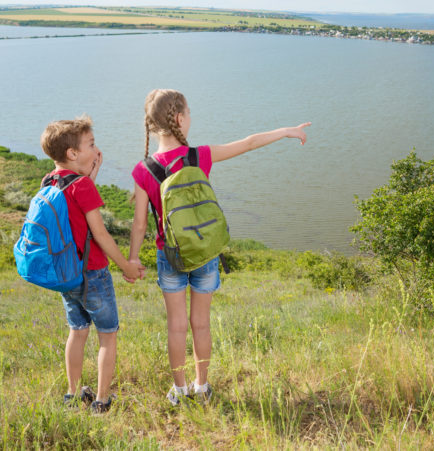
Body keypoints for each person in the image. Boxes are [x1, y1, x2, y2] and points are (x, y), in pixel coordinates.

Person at [128, 89, 310, 406]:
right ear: (180, 119)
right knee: (201, 324)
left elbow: (140, 224)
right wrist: (286, 131)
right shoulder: (199, 156)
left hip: (169, 256)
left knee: (176, 327)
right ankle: (202, 387)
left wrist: (131, 259)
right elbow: (249, 143)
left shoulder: (145, 170)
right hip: (205, 253)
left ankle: (179, 390)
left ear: (152, 125)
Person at [40, 116, 145, 413]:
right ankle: (101, 400)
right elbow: (99, 234)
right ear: (73, 153)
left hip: (67, 273)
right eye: (91, 144)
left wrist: (90, 175)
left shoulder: (49, 180)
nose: (96, 149)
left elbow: (71, 214)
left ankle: (73, 394)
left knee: (77, 331)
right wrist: (125, 265)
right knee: (107, 335)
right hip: (94, 274)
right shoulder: (83, 186)